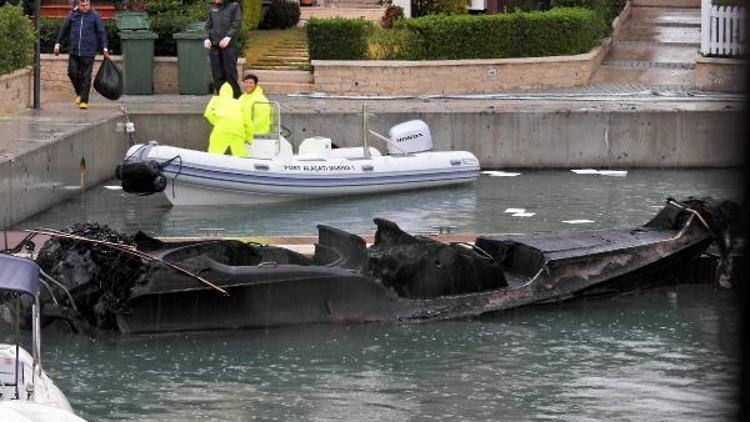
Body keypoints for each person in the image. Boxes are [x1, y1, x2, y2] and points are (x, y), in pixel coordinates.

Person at [53, 0, 109, 110]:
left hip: (88, 51)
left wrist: (105, 48)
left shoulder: (95, 16)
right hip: (74, 51)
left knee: (86, 76)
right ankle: (79, 92)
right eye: (83, 5)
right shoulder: (72, 15)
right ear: (78, 5)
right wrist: (57, 44)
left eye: (87, 5)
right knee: (71, 72)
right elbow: (64, 30)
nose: (85, 7)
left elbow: (101, 32)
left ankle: (84, 100)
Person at [204, 0, 242, 99]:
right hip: (214, 46)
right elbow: (208, 25)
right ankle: (220, 97)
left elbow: (236, 23)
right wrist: (206, 38)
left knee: (230, 73)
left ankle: (235, 97)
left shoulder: (234, 6)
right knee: (217, 74)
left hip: (228, 46)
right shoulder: (212, 7)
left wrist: (228, 37)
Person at [203, 82, 252, 157]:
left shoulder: (216, 99)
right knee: (240, 156)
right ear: (231, 93)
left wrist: (217, 121)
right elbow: (248, 122)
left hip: (221, 129)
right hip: (238, 131)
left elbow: (208, 113)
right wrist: (249, 138)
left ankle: (211, 167)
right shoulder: (239, 103)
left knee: (214, 155)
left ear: (220, 91)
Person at [239, 73, 272, 139]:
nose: (248, 85)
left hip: (258, 135)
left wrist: (248, 132)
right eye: (246, 82)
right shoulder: (242, 97)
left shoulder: (261, 100)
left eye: (251, 83)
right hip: (244, 133)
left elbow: (260, 120)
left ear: (255, 85)